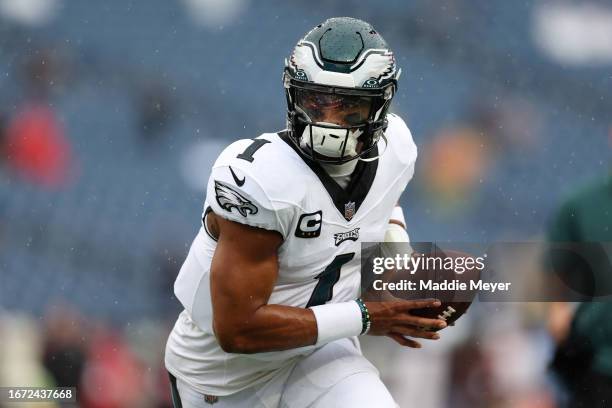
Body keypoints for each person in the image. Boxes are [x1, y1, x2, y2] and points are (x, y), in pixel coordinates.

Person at [165, 17, 446, 408]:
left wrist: (400, 258)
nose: (328, 120)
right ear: (293, 95)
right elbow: (238, 330)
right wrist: (366, 316)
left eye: (348, 106)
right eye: (316, 100)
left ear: (379, 104)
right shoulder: (262, 178)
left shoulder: (396, 149)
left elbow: (382, 200)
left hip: (321, 353)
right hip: (226, 376)